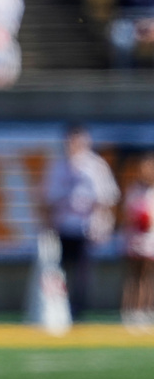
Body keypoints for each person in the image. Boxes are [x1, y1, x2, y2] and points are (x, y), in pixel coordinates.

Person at [42, 123, 120, 322]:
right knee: (60, 272)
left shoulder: (95, 166)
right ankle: (60, 309)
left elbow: (107, 198)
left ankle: (78, 311)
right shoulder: (58, 166)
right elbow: (48, 198)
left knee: (82, 273)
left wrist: (101, 224)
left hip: (86, 228)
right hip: (63, 227)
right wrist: (48, 225)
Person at [121, 152, 154, 330]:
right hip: (135, 239)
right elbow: (128, 214)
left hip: (150, 240)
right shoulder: (134, 190)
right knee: (133, 276)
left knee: (147, 276)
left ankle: (146, 309)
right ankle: (130, 310)